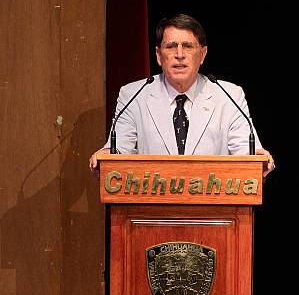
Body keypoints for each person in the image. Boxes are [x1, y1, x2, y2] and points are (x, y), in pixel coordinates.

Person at [89, 13, 274, 175]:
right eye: (170, 46)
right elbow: (118, 152)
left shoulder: (230, 96)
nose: (179, 54)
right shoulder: (133, 96)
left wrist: (256, 157)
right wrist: (108, 158)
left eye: (187, 46)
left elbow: (247, 153)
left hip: (214, 211)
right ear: (158, 56)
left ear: (202, 54)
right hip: (151, 211)